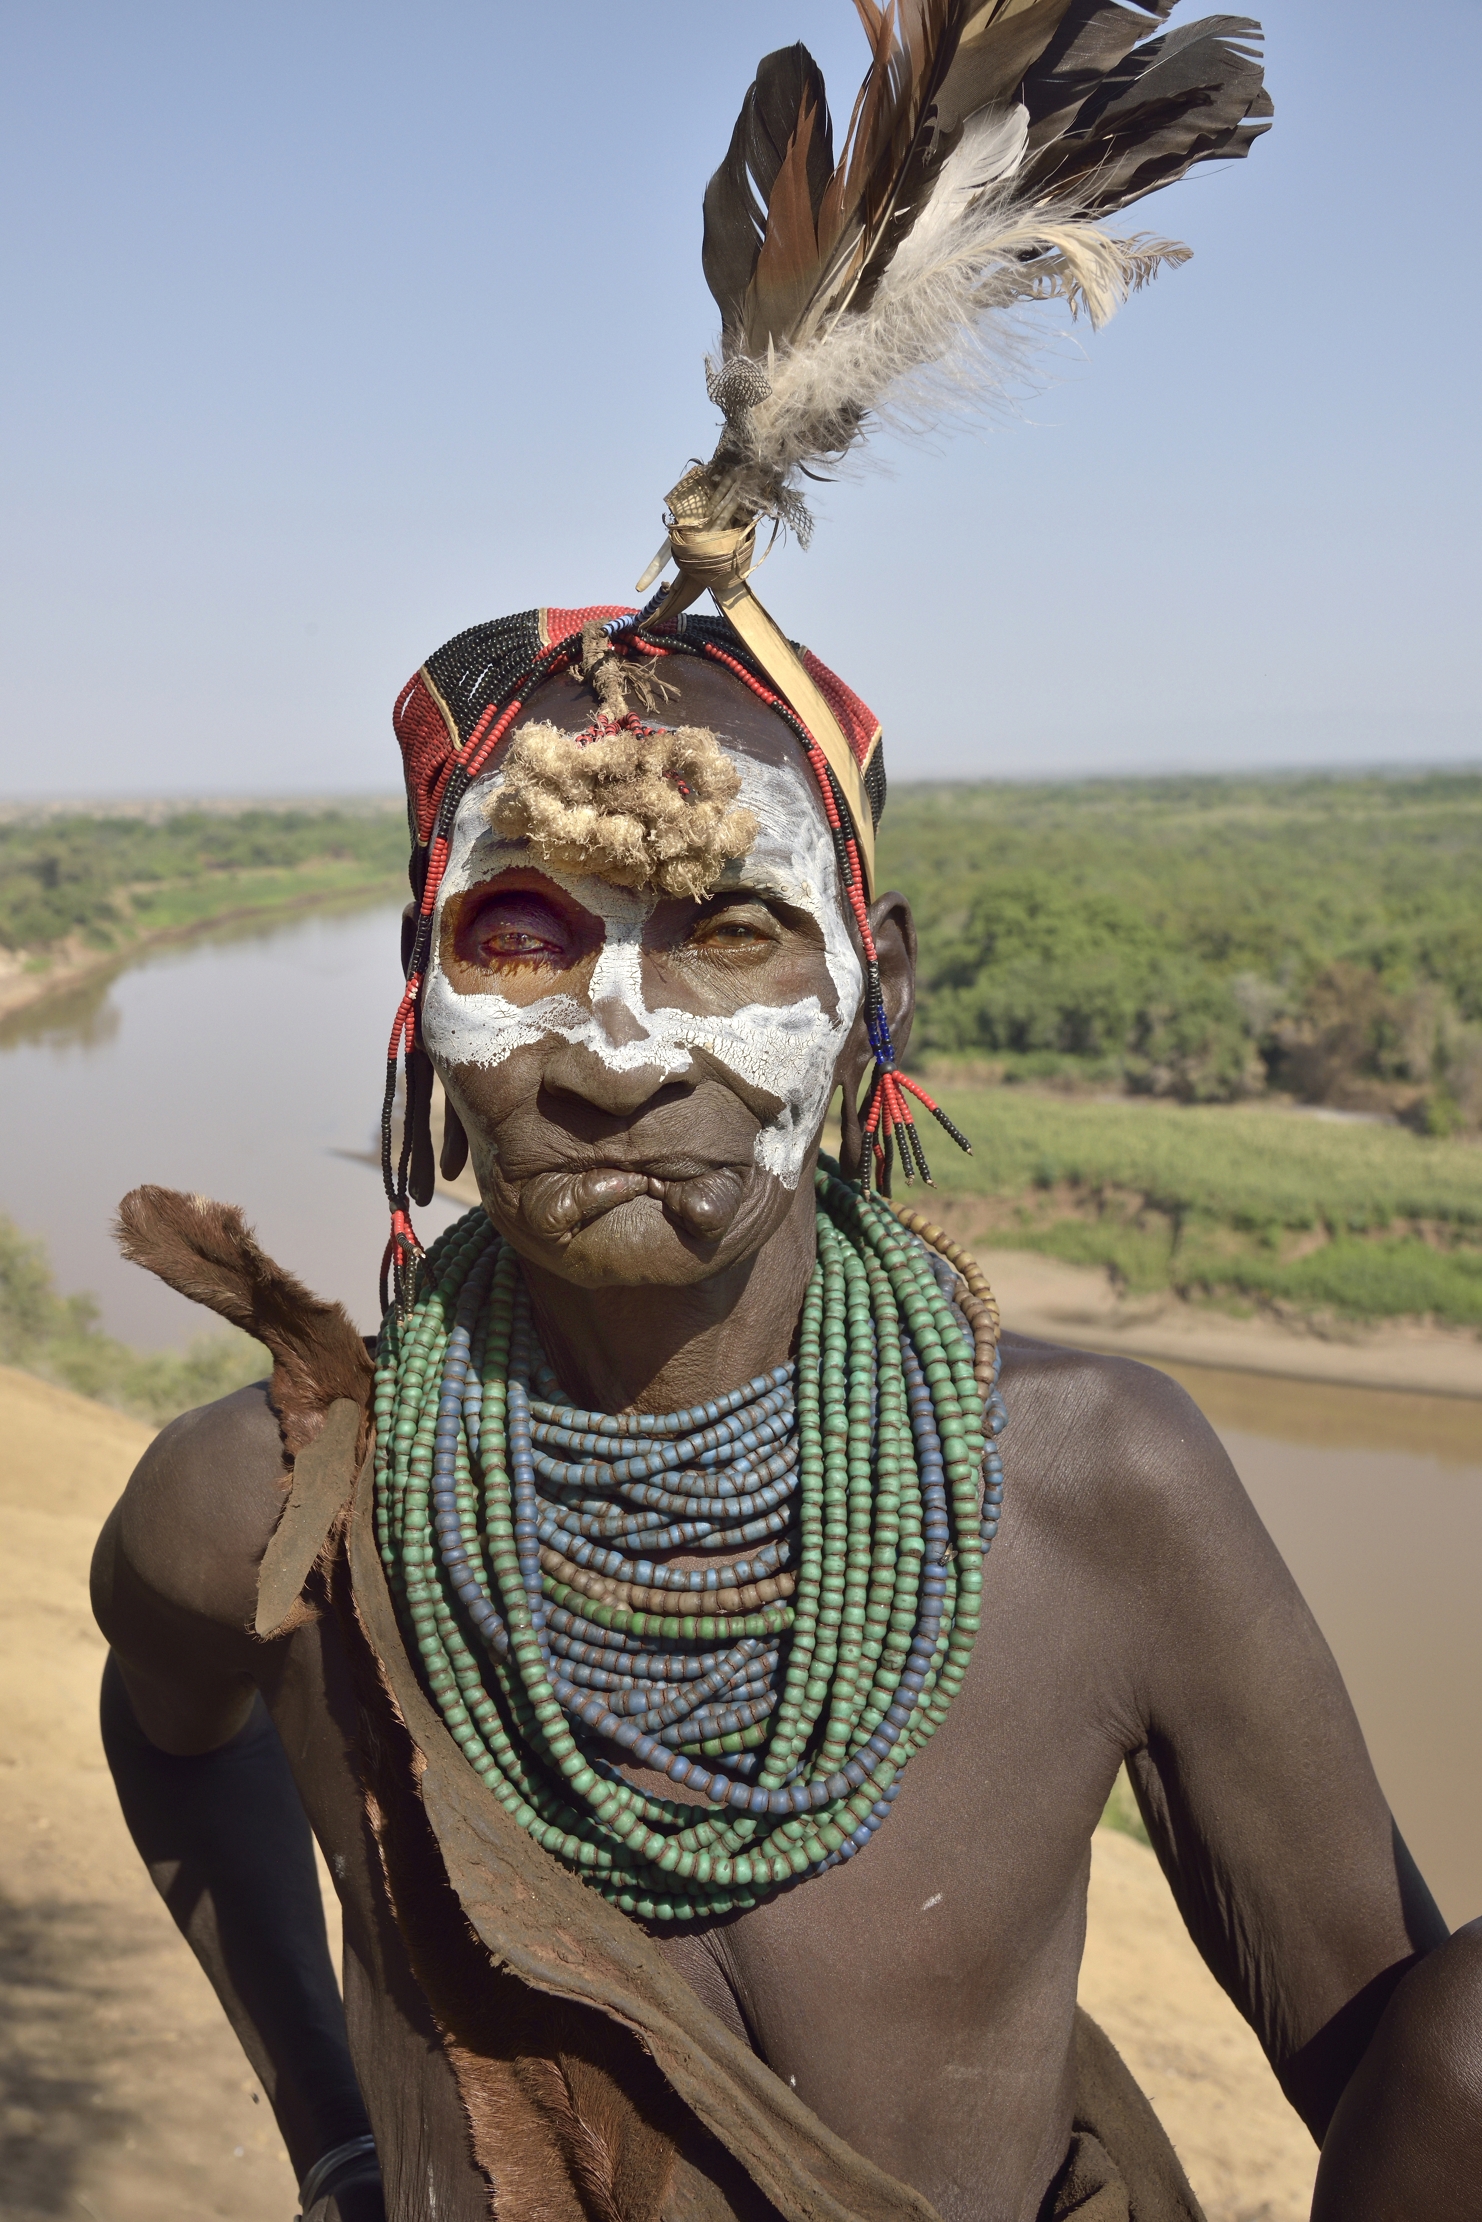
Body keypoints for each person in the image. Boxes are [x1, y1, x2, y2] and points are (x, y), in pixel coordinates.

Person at [89, 8, 1482, 2219]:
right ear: (422, 999)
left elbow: (1409, 2074)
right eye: (524, 934)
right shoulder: (252, 1520)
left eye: (725, 933)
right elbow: (166, 1749)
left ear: (874, 988)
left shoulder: (1099, 1498)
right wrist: (341, 2136)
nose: (612, 1045)